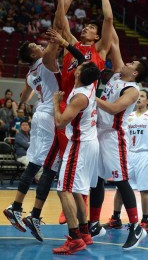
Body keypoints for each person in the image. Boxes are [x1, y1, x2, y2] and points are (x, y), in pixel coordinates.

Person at [3, 0, 88, 242]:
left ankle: (24, 210)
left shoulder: (30, 74)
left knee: (44, 164)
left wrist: (22, 101)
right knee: (48, 166)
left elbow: (25, 94)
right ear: (34, 54)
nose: (41, 45)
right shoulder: (46, 61)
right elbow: (58, 25)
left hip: (42, 114)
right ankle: (22, 210)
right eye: (36, 46)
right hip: (50, 115)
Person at [47, 0, 113, 226]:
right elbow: (60, 15)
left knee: (75, 163)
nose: (87, 27)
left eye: (90, 27)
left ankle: (78, 212)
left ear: (96, 36)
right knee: (67, 161)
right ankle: (76, 209)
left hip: (81, 106)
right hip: (65, 101)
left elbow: (107, 18)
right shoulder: (72, 40)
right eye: (85, 25)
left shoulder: (99, 49)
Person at [88, 27, 148, 250]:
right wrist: (105, 6)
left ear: (134, 74)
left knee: (122, 181)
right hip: (99, 133)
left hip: (115, 138)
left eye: (132, 64)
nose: (127, 63)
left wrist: (90, 97)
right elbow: (113, 39)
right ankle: (94, 223)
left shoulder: (133, 89)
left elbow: (113, 109)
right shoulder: (117, 74)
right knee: (96, 180)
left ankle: (135, 226)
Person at [52, 62, 100, 255]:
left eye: (78, 68)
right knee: (78, 190)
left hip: (79, 145)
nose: (76, 68)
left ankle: (74, 239)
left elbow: (60, 122)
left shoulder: (79, 97)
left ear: (79, 74)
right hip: (89, 143)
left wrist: (56, 102)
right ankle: (85, 233)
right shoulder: (90, 86)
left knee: (64, 190)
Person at [102, 89, 148, 233]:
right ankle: (116, 218)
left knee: (144, 189)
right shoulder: (129, 116)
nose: (139, 98)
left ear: (147, 100)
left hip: (144, 154)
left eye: (142, 96)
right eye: (138, 96)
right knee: (121, 187)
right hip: (129, 155)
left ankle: (145, 220)